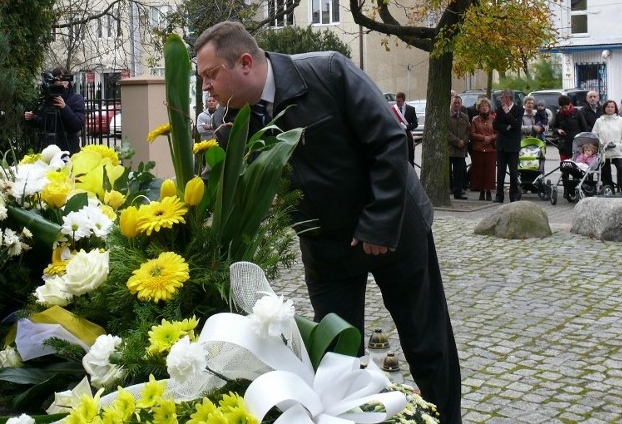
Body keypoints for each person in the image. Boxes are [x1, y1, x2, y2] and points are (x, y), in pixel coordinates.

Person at [194, 21, 461, 424]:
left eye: (211, 75)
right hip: (325, 249)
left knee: (427, 343)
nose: (206, 88)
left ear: (245, 63)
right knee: (336, 358)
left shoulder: (328, 72)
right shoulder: (230, 123)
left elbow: (390, 141)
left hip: (394, 230)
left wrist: (378, 222)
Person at [23, 67, 86, 155]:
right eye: (58, 78)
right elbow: (45, 123)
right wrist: (33, 118)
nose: (61, 81)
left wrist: (64, 107)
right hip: (50, 149)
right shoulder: (49, 99)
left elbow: (77, 125)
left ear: (68, 81)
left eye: (64, 78)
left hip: (69, 149)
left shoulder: (76, 98)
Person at [591, 99, 622, 195]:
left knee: (621, 169)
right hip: (604, 150)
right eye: (608, 107)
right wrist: (601, 144)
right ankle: (608, 189)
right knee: (605, 171)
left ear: (615, 108)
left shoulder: (621, 120)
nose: (610, 108)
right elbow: (594, 135)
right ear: (604, 108)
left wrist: (621, 146)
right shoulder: (599, 121)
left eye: (612, 107)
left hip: (618, 150)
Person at [554, 94, 588, 201]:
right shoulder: (559, 114)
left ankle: (576, 189)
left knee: (575, 168)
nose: (564, 109)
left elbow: (584, 127)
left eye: (566, 107)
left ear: (570, 104)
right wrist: (558, 131)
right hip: (564, 145)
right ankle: (566, 189)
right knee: (565, 168)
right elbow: (554, 127)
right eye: (562, 107)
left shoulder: (577, 113)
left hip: (576, 146)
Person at [493, 89, 523, 203]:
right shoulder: (499, 110)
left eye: (502, 98)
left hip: (513, 146)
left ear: (508, 98)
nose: (501, 100)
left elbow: (516, 125)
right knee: (500, 172)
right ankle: (499, 196)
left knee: (513, 173)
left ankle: (513, 195)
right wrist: (506, 127)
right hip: (501, 145)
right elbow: (495, 125)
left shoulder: (519, 110)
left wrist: (507, 113)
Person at [469, 97, 496, 201]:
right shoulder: (475, 120)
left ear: (489, 107)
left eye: (486, 106)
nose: (484, 108)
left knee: (489, 171)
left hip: (490, 148)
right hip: (478, 148)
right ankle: (481, 191)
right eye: (482, 106)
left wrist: (490, 138)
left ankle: (489, 190)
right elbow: (472, 133)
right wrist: (483, 138)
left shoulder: (493, 119)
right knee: (479, 171)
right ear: (478, 108)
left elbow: (497, 133)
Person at [448, 96, 470, 200]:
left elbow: (468, 131)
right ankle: (448, 190)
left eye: (458, 103)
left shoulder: (464, 117)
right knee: (448, 172)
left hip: (461, 149)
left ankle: (458, 192)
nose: (456, 105)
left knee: (459, 172)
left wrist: (464, 141)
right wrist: (456, 141)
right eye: (454, 103)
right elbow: (446, 131)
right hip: (449, 148)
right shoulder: (446, 116)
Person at [392, 91, 419, 166]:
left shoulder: (411, 109)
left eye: (399, 101)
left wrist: (406, 127)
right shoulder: (393, 110)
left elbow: (415, 124)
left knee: (410, 159)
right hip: (396, 138)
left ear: (403, 100)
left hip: (408, 138)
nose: (397, 103)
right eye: (396, 101)